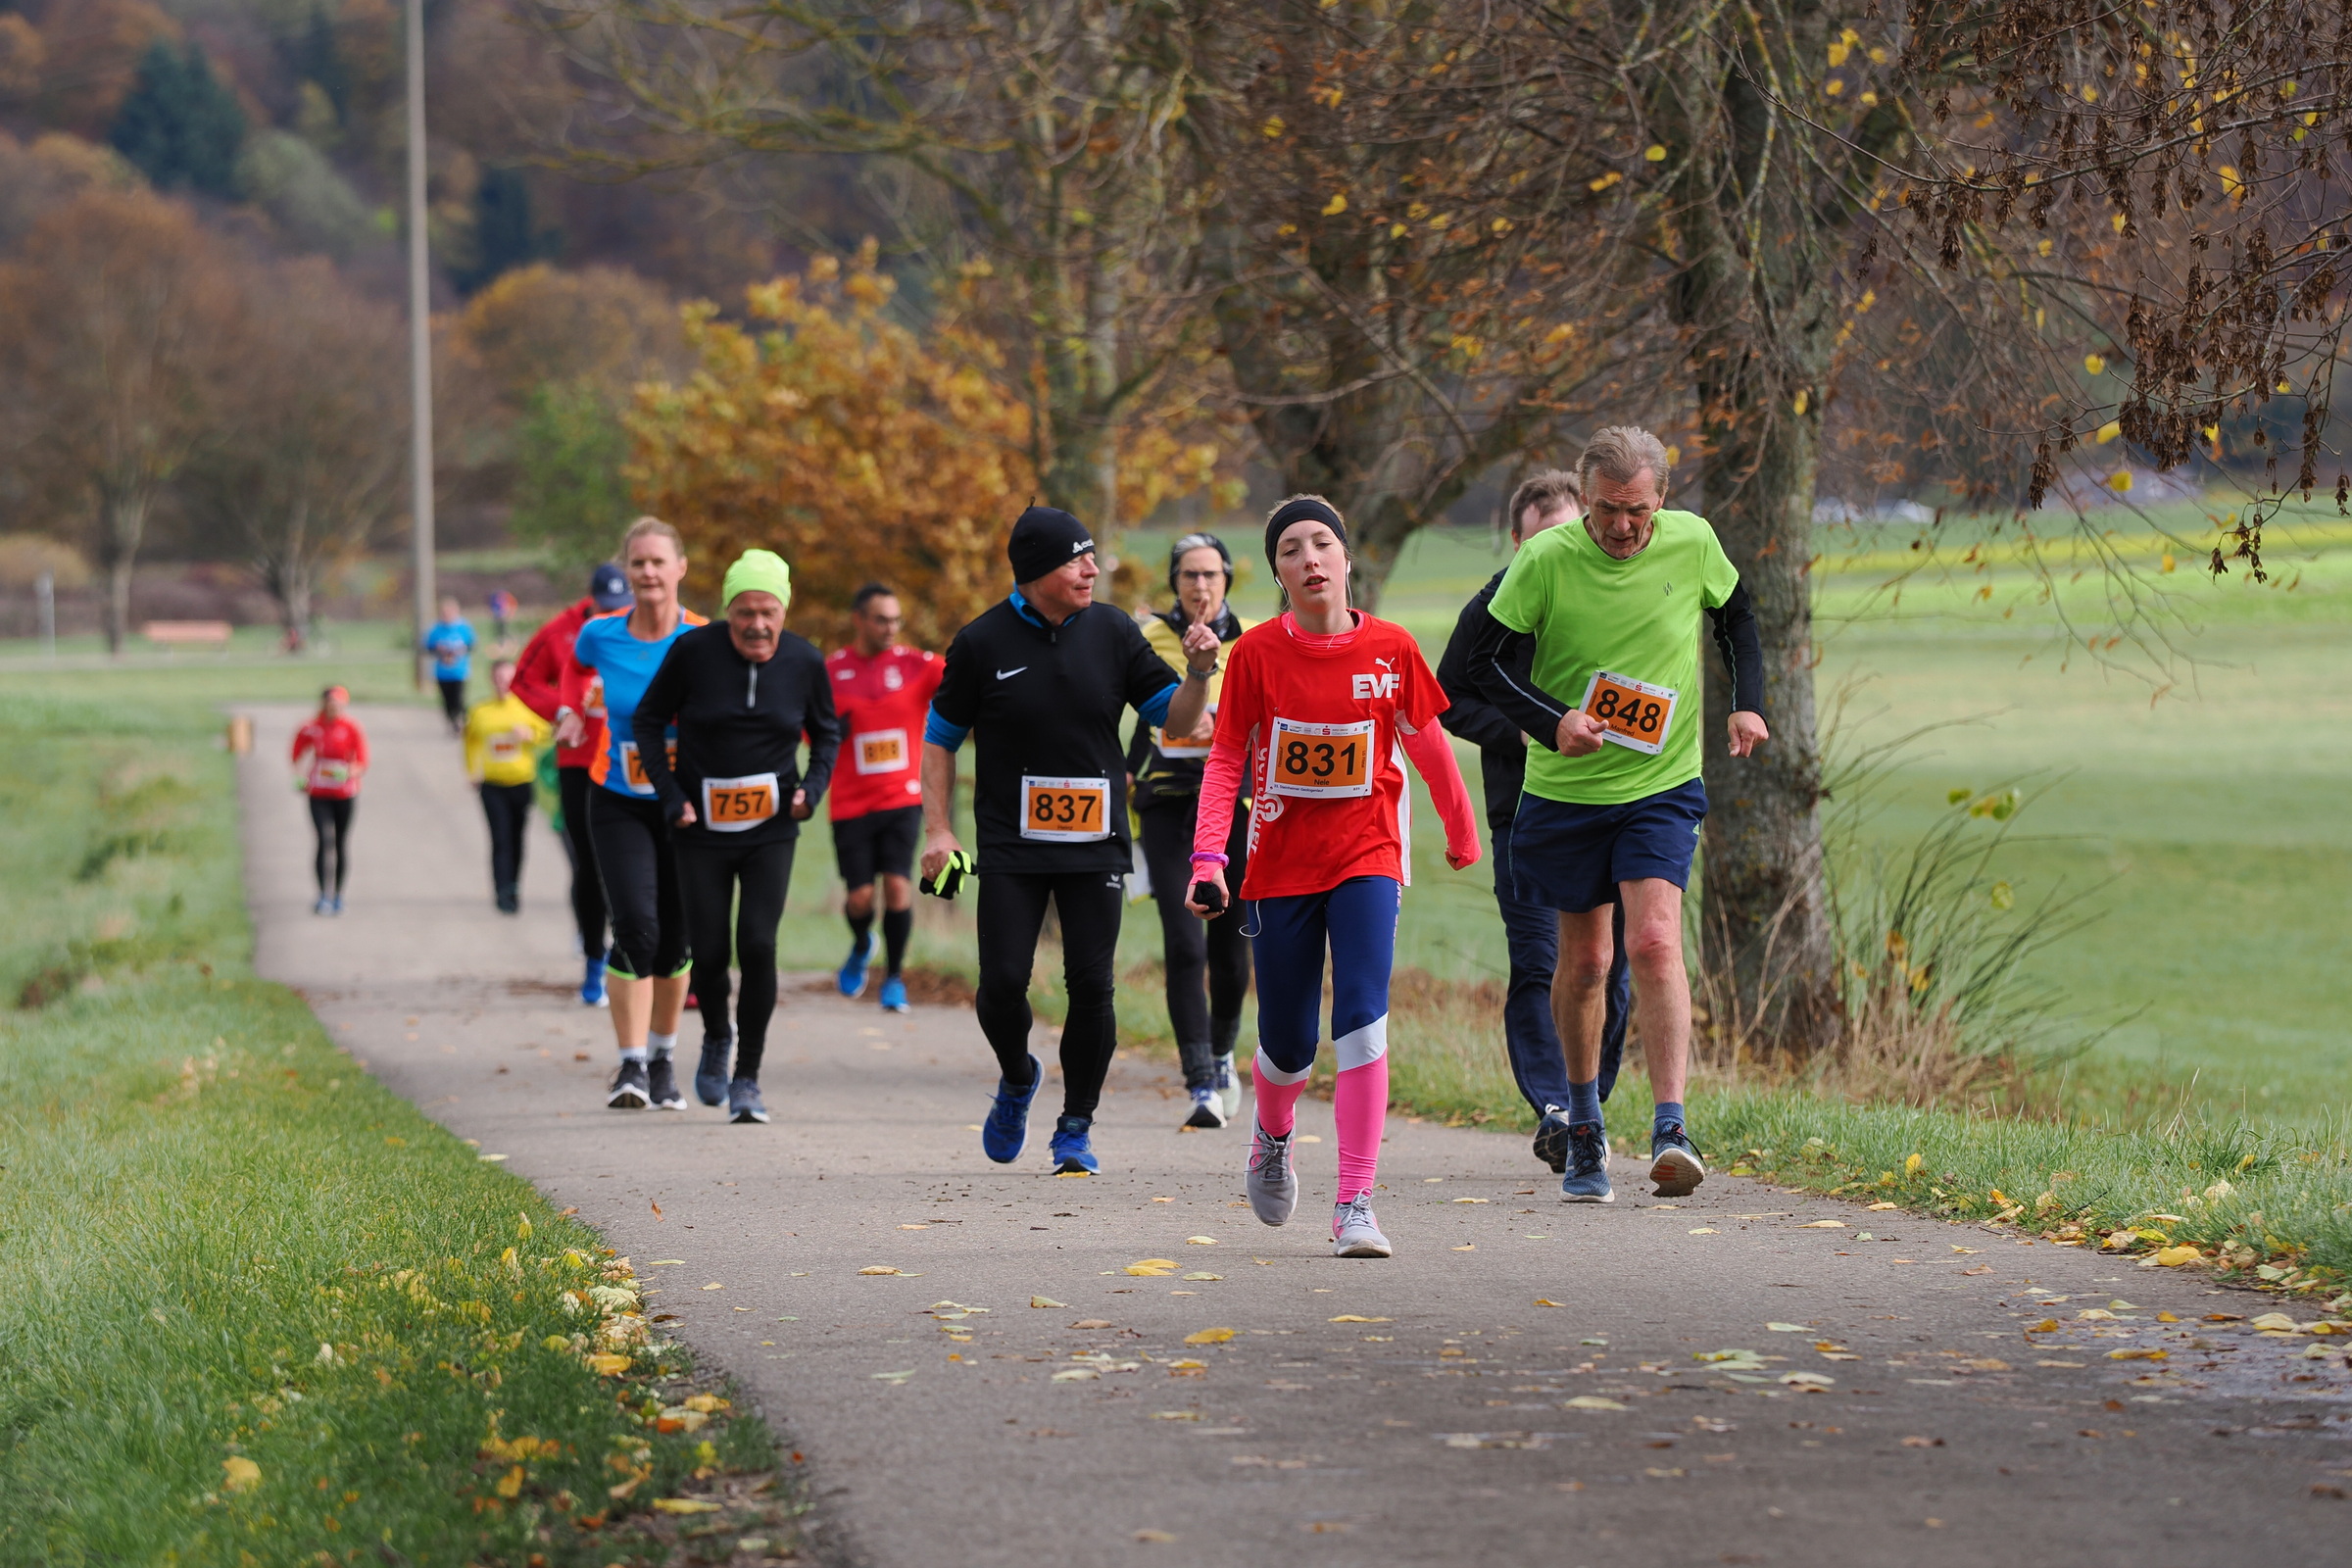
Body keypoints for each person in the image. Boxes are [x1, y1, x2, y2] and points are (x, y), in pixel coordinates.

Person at [1465, 425, 1769, 1203]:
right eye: (1607, 510)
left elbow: (1737, 616)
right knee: (1588, 963)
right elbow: (1476, 665)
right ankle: (1584, 1124)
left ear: (1662, 499)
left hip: (1662, 785)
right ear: (1585, 497)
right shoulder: (1545, 559)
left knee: (1656, 941)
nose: (1624, 526)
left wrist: (1748, 704)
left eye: (1638, 511)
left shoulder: (1693, 542)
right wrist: (1552, 721)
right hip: (1567, 793)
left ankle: (1672, 1128)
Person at [1187, 496, 1482, 1259]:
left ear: (1347, 559)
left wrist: (1460, 827)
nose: (1310, 558)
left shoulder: (1392, 649)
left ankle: (1355, 1201)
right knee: (1288, 1046)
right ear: (1278, 574)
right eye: (1291, 549)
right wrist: (1209, 858)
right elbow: (1226, 758)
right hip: (1280, 865)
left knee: (1361, 1020)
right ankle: (1272, 1133)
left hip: (1367, 856)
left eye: (1323, 543)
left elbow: (1428, 740)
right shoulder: (1256, 655)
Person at [919, 505, 1214, 1175]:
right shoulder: (981, 642)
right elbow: (939, 740)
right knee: (1001, 984)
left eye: (1091, 558)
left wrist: (1198, 674)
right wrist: (939, 828)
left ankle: (1075, 1127)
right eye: (1076, 560)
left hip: (1095, 839)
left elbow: (1176, 722)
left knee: (1091, 984)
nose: (1091, 570)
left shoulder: (1114, 631)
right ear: (1034, 572)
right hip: (1010, 842)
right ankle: (1018, 1074)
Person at [1436, 469, 1633, 1175]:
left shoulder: (1615, 593)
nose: (1554, 550)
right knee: (1539, 960)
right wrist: (1522, 731)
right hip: (1521, 811)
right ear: (1517, 545)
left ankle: (1588, 1106)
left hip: (1614, 804)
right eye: (1538, 540)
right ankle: (1556, 1108)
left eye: (1567, 533)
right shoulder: (1495, 604)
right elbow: (1447, 696)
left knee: (1610, 969)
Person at [633, 550, 841, 1125]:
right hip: (700, 828)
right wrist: (671, 797)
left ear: (784, 612)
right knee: (710, 950)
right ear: (729, 611)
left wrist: (811, 791)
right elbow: (647, 720)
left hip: (770, 828)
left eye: (769, 612)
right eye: (745, 612)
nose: (757, 624)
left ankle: (747, 1076)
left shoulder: (804, 661)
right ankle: (717, 1036)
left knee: (757, 943)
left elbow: (827, 733)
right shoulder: (692, 652)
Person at [560, 518, 707, 1112]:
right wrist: (571, 710)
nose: (648, 572)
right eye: (638, 562)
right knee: (636, 928)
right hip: (617, 797)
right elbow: (573, 668)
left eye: (658, 562)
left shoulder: (704, 639)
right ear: (626, 570)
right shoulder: (600, 635)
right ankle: (631, 1064)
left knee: (676, 938)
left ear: (680, 568)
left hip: (685, 805)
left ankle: (665, 1060)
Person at [1123, 532, 1252, 1129]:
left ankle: (1223, 1054)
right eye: (1189, 575)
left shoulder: (1253, 639)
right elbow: (1133, 716)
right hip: (1168, 803)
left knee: (1231, 946)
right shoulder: (1146, 637)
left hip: (1235, 805)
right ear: (1174, 582)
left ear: (1226, 580)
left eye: (1210, 574)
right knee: (1184, 942)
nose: (1200, 585)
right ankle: (1199, 1078)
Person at [514, 563, 635, 1004]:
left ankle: (635, 957)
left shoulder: (646, 628)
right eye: (606, 607)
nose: (613, 615)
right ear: (591, 599)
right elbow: (523, 681)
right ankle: (593, 958)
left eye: (621, 607)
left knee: (633, 864)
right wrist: (565, 710)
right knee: (590, 864)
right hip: (580, 763)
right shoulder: (561, 632)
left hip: (632, 762)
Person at [824, 583, 941, 1012]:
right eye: (881, 620)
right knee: (858, 897)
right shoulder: (831, 671)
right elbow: (808, 727)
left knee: (897, 885)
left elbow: (966, 682)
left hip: (901, 798)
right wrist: (830, 731)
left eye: (895, 620)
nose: (890, 628)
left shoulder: (918, 665)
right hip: (850, 802)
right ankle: (861, 943)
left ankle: (893, 978)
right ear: (859, 620)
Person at [465, 658, 554, 914]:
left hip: (521, 783)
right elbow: (470, 742)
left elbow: (548, 734)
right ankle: (502, 891)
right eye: (498, 678)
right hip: (492, 785)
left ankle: (514, 886)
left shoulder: (527, 709)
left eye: (508, 678)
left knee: (517, 838)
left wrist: (530, 735)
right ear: (491, 680)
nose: (503, 683)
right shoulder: (481, 711)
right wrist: (472, 770)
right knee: (500, 838)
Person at [290, 685, 368, 915]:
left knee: (341, 842)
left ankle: (339, 895)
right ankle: (323, 894)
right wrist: (300, 776)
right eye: (330, 704)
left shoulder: (352, 727)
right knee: (324, 840)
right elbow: (296, 753)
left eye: (338, 704)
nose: (334, 708)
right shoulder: (311, 727)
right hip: (319, 792)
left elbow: (362, 761)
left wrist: (349, 772)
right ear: (323, 704)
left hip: (344, 793)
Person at [421, 596, 476, 735]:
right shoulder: (436, 629)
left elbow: (472, 645)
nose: (447, 615)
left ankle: (461, 721)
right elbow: (428, 647)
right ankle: (452, 721)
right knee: (447, 700)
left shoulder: (463, 627)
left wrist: (462, 649)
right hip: (442, 672)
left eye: (449, 612)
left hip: (459, 671)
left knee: (459, 699)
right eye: (444, 613)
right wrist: (439, 651)